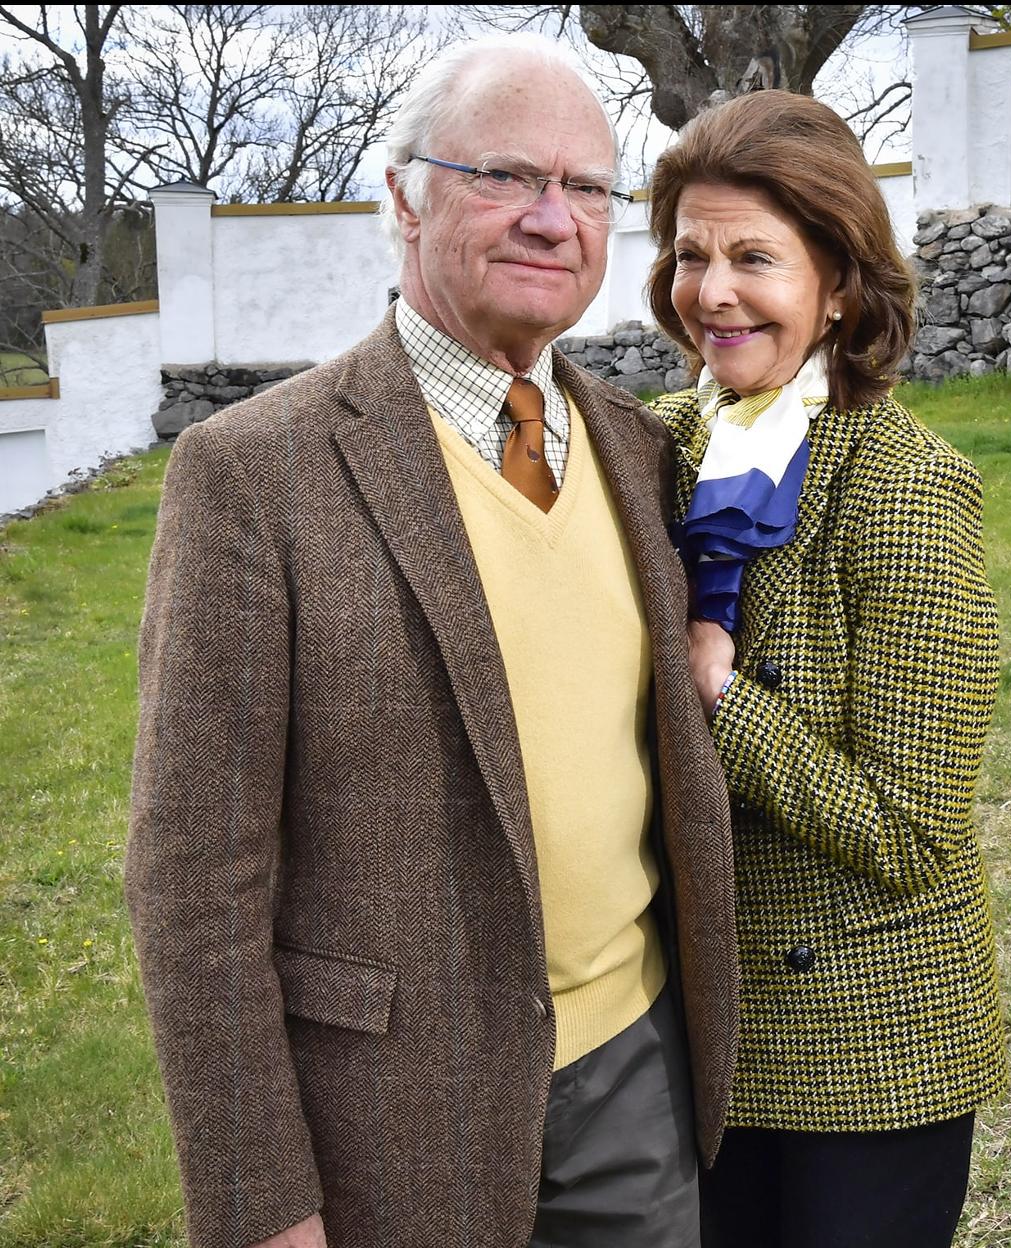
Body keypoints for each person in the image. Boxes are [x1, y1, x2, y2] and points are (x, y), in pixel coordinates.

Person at [125, 34, 737, 1248]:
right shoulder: (254, 472)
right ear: (402, 197)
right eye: (505, 175)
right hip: (392, 1118)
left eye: (587, 188)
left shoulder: (640, 451)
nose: (553, 219)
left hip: (634, 1075)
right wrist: (262, 1204)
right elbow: (192, 879)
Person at [647, 90, 1006, 1248]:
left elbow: (911, 829)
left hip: (865, 1049)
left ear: (841, 283)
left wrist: (717, 695)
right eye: (691, 254)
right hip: (691, 1028)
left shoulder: (904, 486)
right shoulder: (659, 444)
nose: (712, 291)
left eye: (756, 256)